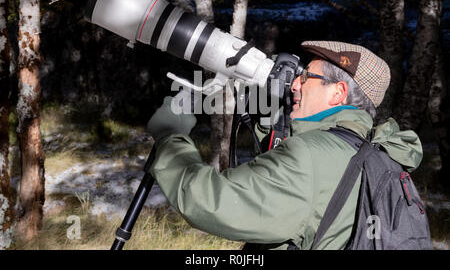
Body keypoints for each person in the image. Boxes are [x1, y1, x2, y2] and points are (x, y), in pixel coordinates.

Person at [146, 41, 423, 250]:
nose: (295, 86)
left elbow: (209, 202)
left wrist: (170, 135)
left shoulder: (310, 156)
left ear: (338, 93)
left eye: (306, 77)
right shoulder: (376, 152)